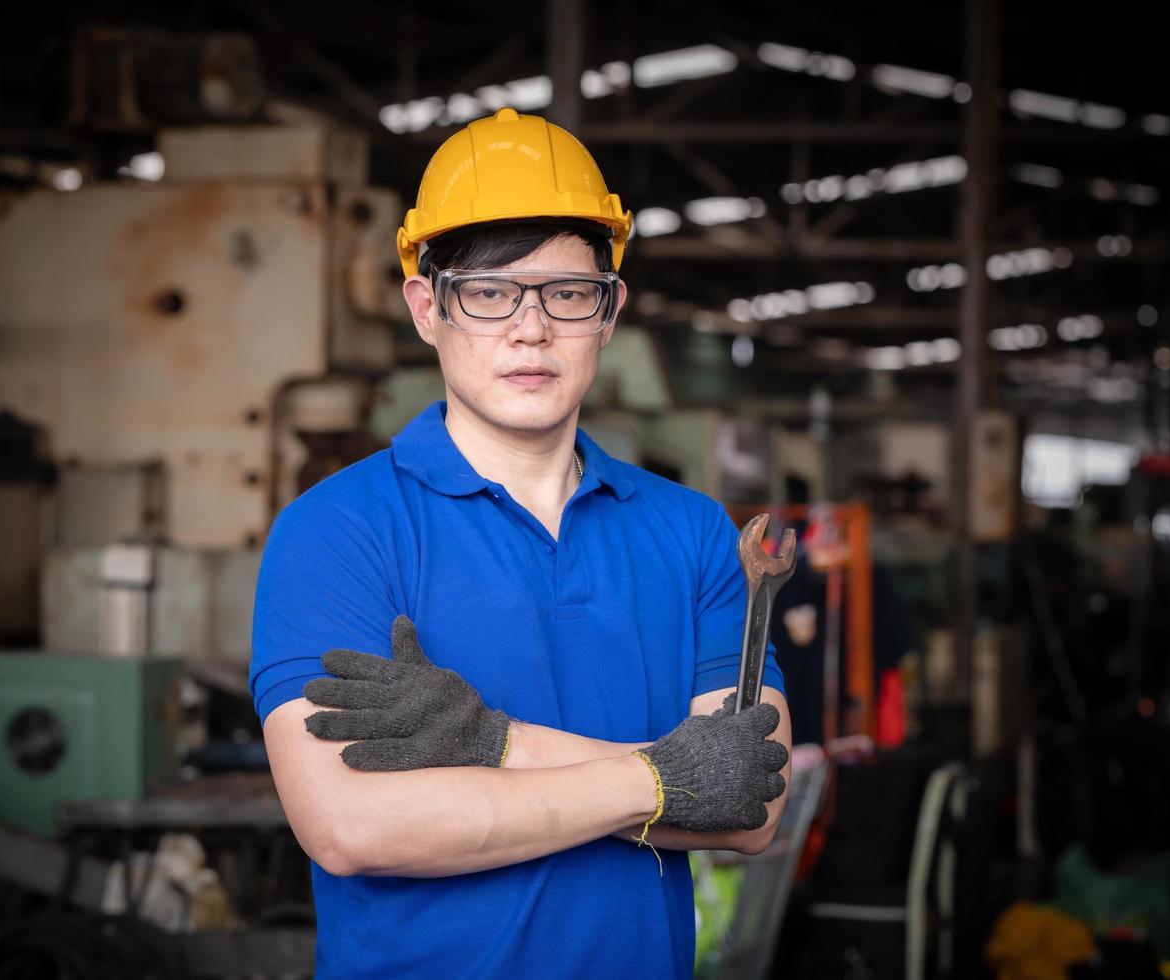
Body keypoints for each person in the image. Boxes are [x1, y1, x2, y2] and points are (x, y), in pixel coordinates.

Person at [249, 107, 791, 979]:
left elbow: (750, 804)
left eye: (567, 294)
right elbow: (350, 828)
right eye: (489, 292)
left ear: (608, 313)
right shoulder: (339, 530)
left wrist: (492, 744)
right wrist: (664, 780)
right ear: (427, 308)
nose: (530, 328)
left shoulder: (693, 533)